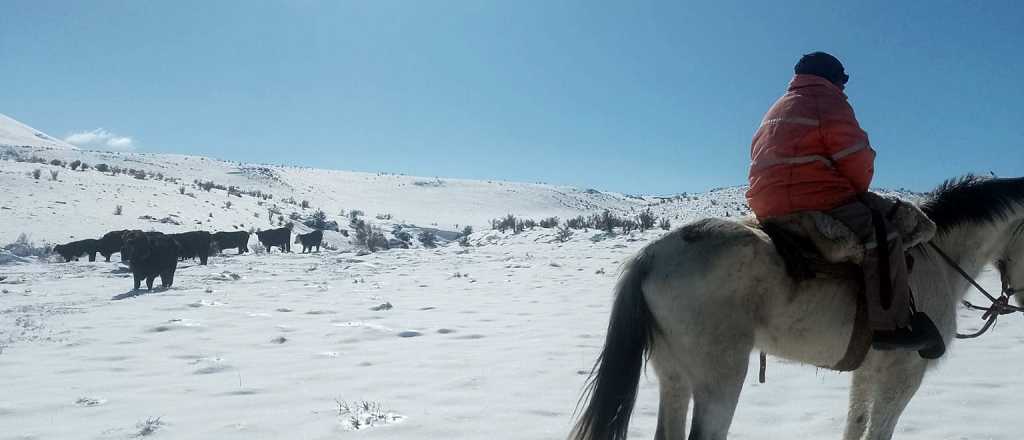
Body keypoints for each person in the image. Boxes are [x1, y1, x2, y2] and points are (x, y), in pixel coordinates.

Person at [746, 51, 944, 358]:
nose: (844, 87)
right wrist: (857, 190)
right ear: (833, 78)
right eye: (843, 80)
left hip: (767, 202)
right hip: (815, 196)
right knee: (884, 235)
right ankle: (891, 326)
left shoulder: (778, 106)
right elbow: (856, 158)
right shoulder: (829, 102)